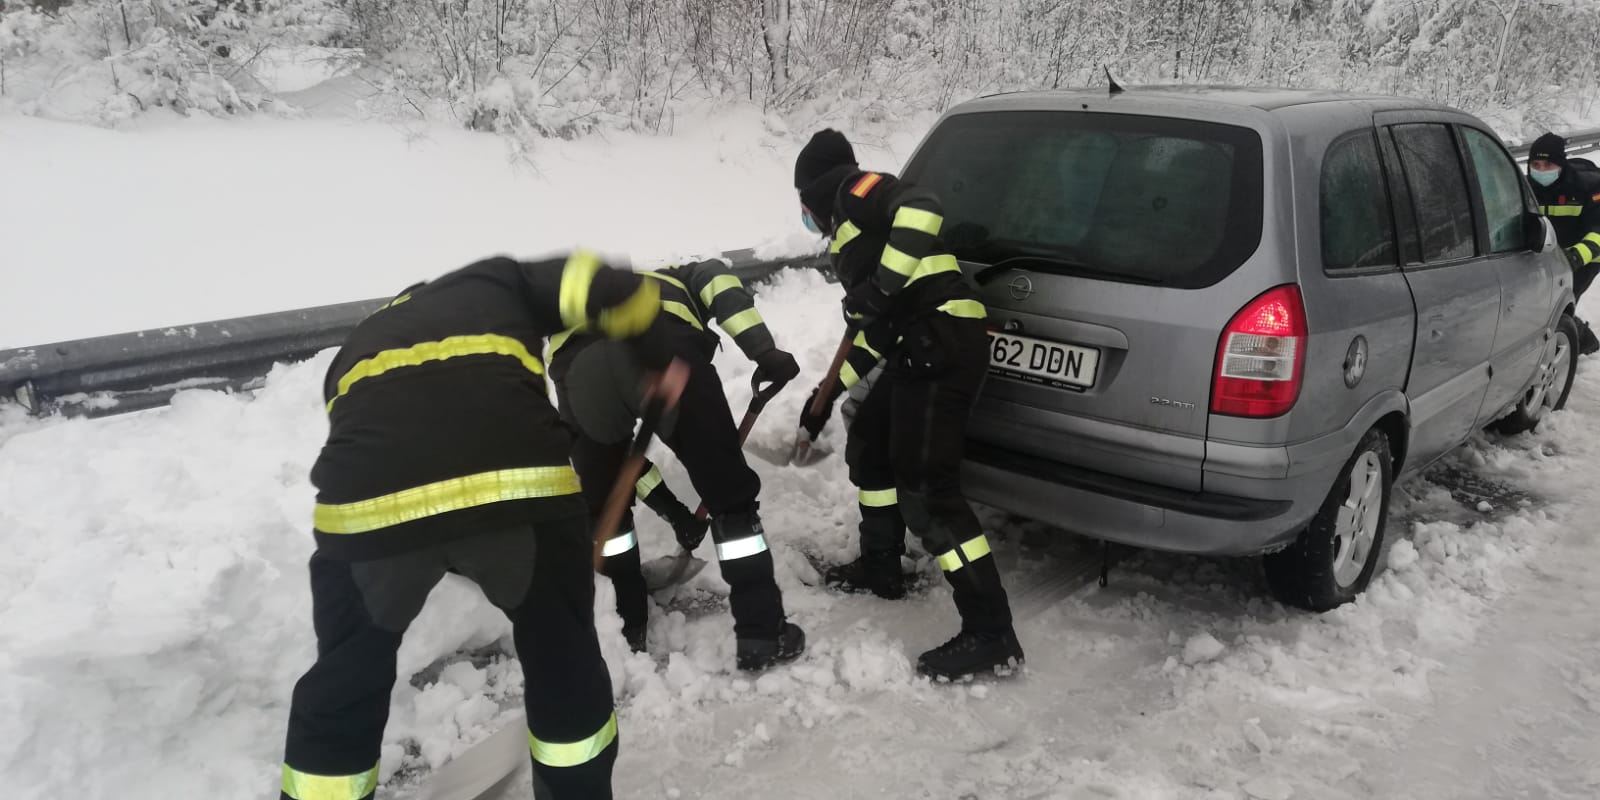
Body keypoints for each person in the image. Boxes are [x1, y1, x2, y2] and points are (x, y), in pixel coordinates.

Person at [279, 251, 680, 800]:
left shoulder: (360, 340)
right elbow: (615, 289)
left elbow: (392, 443)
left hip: (366, 510)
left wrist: (447, 542)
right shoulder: (500, 281)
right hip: (519, 488)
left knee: (345, 681)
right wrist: (656, 359)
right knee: (562, 654)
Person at [789, 128, 1024, 681]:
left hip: (943, 339)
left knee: (930, 495)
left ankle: (992, 633)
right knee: (869, 443)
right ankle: (880, 566)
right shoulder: (853, 236)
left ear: (810, 194)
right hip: (914, 345)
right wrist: (826, 397)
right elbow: (872, 335)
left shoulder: (854, 190)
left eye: (800, 206)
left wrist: (881, 289)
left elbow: (923, 206)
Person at [548, 258, 806, 669]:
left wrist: (675, 511)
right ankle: (762, 633)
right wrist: (763, 349)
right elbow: (722, 284)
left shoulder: (582, 297)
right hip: (666, 348)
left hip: (579, 366)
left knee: (607, 507)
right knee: (731, 499)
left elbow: (631, 465)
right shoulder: (683, 275)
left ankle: (625, 631)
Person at [1527, 131, 1600, 355]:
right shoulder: (1524, 187)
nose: (1541, 170)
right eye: (1535, 164)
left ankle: (1581, 344)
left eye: (1548, 164)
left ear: (1560, 164)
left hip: (1585, 257)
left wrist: (1576, 256)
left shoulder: (1587, 187)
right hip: (1548, 254)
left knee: (1559, 305)